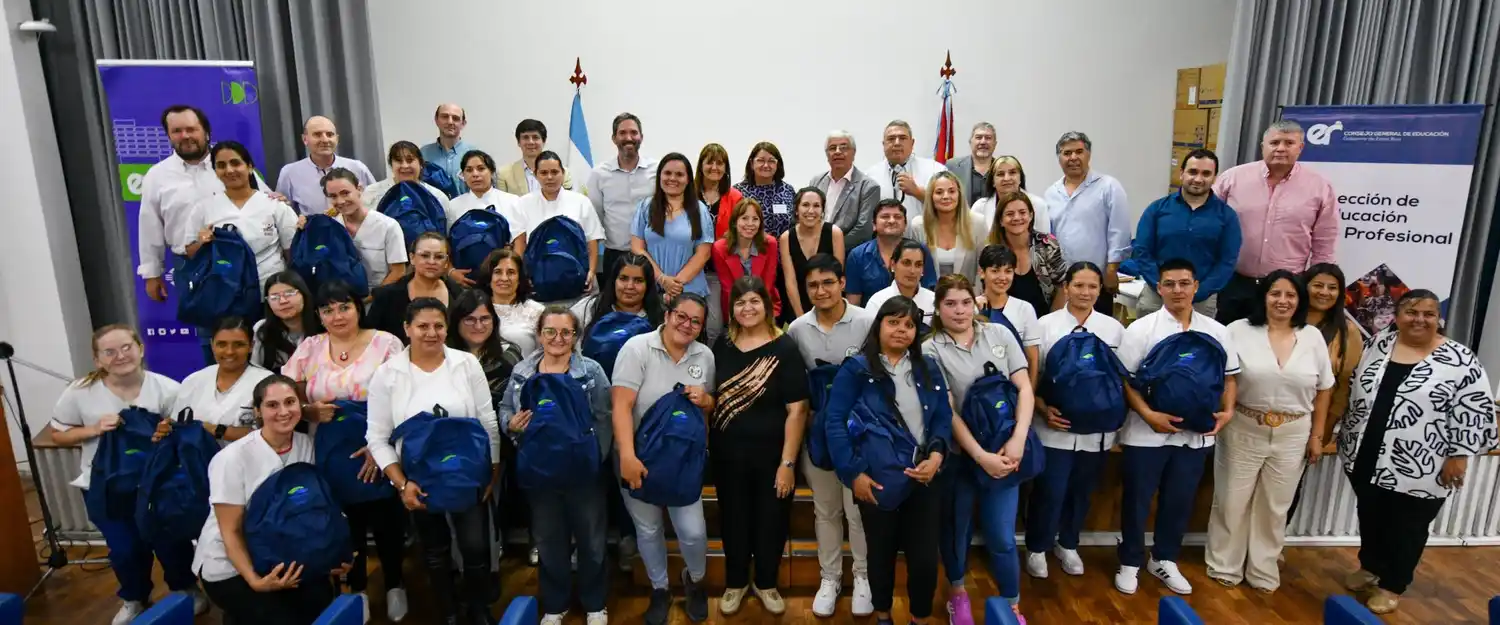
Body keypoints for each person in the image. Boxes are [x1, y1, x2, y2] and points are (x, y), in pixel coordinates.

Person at [1337, 290, 1496, 614]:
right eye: (1412, 311)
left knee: (1407, 527)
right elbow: (1356, 387)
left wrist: (1459, 455)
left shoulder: (1460, 360)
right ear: (1397, 314)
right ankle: (1370, 566)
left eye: (1429, 313)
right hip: (1365, 454)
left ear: (1439, 318)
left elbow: (1475, 411)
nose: (1420, 319)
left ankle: (1392, 584)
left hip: (1424, 465)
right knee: (1371, 516)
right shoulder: (1378, 344)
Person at [49, 325, 200, 624]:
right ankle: (135, 597)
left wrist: (167, 433)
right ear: (97, 359)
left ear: (141, 348)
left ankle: (185, 589)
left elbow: (187, 437)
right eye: (109, 351)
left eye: (126, 347)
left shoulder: (167, 388)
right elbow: (58, 435)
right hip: (105, 486)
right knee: (125, 549)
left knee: (171, 542)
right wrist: (93, 429)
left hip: (159, 485)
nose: (120, 356)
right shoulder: (80, 392)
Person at [367, 298, 501, 625]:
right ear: (406, 329)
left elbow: (488, 422)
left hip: (468, 474)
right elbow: (377, 438)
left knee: (475, 548)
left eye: (438, 326)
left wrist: (492, 470)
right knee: (435, 552)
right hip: (418, 480)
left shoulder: (466, 364)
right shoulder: (387, 375)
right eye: (422, 326)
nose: (431, 333)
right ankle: (449, 612)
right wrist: (401, 483)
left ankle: (479, 608)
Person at [280, 281, 409, 621]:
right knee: (344, 521)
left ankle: (395, 583)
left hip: (378, 440)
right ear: (319, 315)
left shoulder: (386, 343)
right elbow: (286, 394)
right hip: (329, 447)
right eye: (328, 310)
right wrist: (307, 410)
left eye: (344, 307)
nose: (337, 316)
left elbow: (405, 397)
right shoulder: (309, 348)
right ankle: (358, 589)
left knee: (385, 519)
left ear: (358, 308)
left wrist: (379, 445)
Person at [1116, 258, 1240, 596]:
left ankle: (1164, 559)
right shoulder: (1141, 330)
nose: (1177, 290)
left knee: (1179, 500)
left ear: (1196, 286)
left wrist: (1227, 413)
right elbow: (1125, 380)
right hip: (1145, 433)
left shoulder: (1216, 331)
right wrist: (1148, 415)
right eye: (1169, 284)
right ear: (1159, 288)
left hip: (1196, 436)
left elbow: (1230, 377)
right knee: (1138, 501)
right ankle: (1129, 560)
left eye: (1184, 283)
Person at [823, 296, 950, 625]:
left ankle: (919, 618)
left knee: (923, 560)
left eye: (909, 325)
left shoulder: (927, 366)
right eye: (894, 322)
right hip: (876, 479)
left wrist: (937, 455)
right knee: (879, 555)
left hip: (924, 478)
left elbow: (942, 418)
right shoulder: (856, 370)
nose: (902, 330)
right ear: (878, 325)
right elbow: (834, 423)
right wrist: (853, 474)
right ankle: (883, 616)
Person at [1206, 270, 1333, 592]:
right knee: (1232, 500)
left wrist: (1316, 437)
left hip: (1293, 432)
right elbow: (1224, 378)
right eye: (1276, 293)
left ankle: (1263, 569)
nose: (1283, 301)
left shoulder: (1312, 336)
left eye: (1290, 295)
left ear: (1299, 300)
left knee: (1275, 506)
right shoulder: (1238, 331)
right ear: (1263, 297)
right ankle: (1225, 564)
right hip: (1244, 427)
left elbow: (1325, 389)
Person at [192, 374, 348, 625]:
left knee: (320, 602)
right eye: (272, 405)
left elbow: (320, 509)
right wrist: (255, 581)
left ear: (301, 406)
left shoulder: (307, 445)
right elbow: (230, 531)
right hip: (232, 567)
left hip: (287, 553)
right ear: (257, 411)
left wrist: (334, 556)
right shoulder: (231, 459)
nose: (283, 412)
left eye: (290, 402)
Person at [924, 275, 1034, 625]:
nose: (959, 310)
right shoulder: (930, 348)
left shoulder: (999, 335)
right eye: (950, 304)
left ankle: (1011, 602)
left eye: (965, 302)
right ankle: (957, 594)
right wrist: (980, 456)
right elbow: (947, 409)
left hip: (1004, 451)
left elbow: (1025, 389)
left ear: (976, 303)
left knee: (1002, 535)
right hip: (961, 456)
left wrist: (1017, 440)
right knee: (956, 531)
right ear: (938, 309)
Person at [499, 306, 612, 625]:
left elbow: (604, 416)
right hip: (540, 471)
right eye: (550, 331)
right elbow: (505, 407)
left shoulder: (590, 371)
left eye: (566, 332)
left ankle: (594, 603)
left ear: (576, 337)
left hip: (583, 472)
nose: (558, 338)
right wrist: (512, 426)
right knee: (549, 541)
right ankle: (555, 603)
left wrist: (596, 456)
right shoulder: (523, 371)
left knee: (591, 541)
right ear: (539, 335)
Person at [611, 293, 716, 625]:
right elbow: (621, 406)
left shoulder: (706, 356)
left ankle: (694, 581)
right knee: (648, 528)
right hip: (639, 457)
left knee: (694, 532)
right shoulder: (636, 349)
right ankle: (659, 588)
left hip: (684, 461)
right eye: (681, 316)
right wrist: (626, 455)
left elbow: (707, 409)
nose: (686, 325)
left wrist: (707, 400)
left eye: (695, 321)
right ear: (668, 314)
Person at [709, 277, 808, 617]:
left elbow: (797, 410)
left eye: (754, 301)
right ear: (731, 308)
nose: (747, 308)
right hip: (727, 455)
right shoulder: (720, 344)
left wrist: (788, 464)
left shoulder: (785, 348)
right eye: (740, 302)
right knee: (733, 519)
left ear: (767, 305)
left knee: (771, 520)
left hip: (772, 457)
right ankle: (736, 582)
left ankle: (766, 582)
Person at [784, 254, 875, 617]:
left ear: (841, 283)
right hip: (818, 433)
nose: (820, 291)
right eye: (812, 285)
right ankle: (829, 578)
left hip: (859, 433)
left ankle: (864, 577)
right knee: (825, 510)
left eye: (827, 283)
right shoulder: (797, 329)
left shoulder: (867, 321)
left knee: (858, 510)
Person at [1024, 262, 1126, 580]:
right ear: (1066, 287)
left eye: (1092, 286)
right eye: (1078, 285)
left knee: (1082, 491)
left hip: (1097, 432)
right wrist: (1042, 408)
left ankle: (1068, 543)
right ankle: (1038, 547)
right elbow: (1032, 376)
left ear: (1100, 290)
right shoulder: (1045, 325)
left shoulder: (1113, 329)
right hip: (1054, 427)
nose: (1085, 292)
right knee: (1050, 491)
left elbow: (1120, 380)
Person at [1213, 120, 1340, 324]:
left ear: (1301, 148)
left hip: (1287, 287)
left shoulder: (1319, 187)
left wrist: (1318, 283)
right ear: (1263, 146)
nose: (1281, 148)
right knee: (1228, 342)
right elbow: (1209, 223)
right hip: (1234, 281)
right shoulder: (1232, 179)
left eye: (1289, 143)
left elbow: (1324, 241)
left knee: (1277, 346)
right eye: (1274, 142)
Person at [139, 105, 267, 302]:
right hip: (191, 264)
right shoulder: (156, 176)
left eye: (191, 129)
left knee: (255, 325)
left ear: (206, 132)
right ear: (169, 136)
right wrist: (152, 274)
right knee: (208, 328)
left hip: (243, 259)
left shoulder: (231, 165)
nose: (185, 136)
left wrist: (277, 199)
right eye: (177, 131)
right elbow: (150, 227)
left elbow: (264, 201)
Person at [1287, 263, 1362, 521]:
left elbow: (1344, 385)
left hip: (1311, 424)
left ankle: (1269, 550)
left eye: (1332, 288)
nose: (1324, 292)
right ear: (1304, 287)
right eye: (1318, 285)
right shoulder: (1283, 320)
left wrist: (1324, 429)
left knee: (1289, 488)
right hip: (1265, 418)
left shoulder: (1347, 332)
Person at [1131, 148, 1241, 317]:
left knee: (1197, 343)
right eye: (1192, 172)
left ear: (1214, 178)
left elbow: (1227, 261)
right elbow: (1142, 251)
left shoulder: (1227, 217)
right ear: (1182, 173)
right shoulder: (1156, 210)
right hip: (1156, 296)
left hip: (1201, 301)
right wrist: (1162, 286)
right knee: (1148, 342)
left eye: (1206, 174)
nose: (1198, 179)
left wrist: (1198, 291)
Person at [183, 140, 298, 293]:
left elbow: (292, 252)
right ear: (215, 171)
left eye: (235, 163)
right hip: (225, 294)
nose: (229, 170)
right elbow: (190, 252)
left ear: (250, 167)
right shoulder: (203, 208)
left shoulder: (274, 205)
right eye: (221, 165)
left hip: (271, 293)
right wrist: (202, 243)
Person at [1043, 132, 1130, 315]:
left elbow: (1119, 232)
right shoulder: (1051, 193)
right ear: (1059, 158)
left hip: (1097, 281)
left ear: (1088, 155)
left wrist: (1112, 271)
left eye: (1079, 151)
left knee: (1096, 333)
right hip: (1062, 283)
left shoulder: (1108, 187)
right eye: (1067, 153)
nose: (1073, 157)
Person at [164, 317, 273, 445]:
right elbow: (177, 424)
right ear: (212, 345)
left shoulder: (267, 382)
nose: (229, 351)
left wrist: (214, 429)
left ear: (251, 346)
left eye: (239, 344)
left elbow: (272, 433)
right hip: (198, 461)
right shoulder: (194, 381)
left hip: (249, 461)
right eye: (222, 344)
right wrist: (166, 429)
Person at [516, 150, 606, 296]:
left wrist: (591, 272)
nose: (549, 177)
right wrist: (523, 275)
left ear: (563, 173)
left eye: (554, 172)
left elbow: (592, 241)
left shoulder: (580, 202)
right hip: (537, 283)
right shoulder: (523, 203)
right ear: (535, 174)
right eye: (544, 173)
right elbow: (520, 245)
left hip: (578, 281)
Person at [631, 152, 714, 304]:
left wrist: (675, 285)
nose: (673, 178)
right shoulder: (645, 207)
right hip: (652, 289)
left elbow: (704, 253)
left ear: (688, 179)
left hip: (690, 291)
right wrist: (662, 279)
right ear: (659, 176)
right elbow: (637, 248)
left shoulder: (699, 210)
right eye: (667, 173)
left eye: (679, 174)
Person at [587, 113, 658, 279]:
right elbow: (596, 216)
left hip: (650, 255)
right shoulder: (599, 174)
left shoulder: (657, 170)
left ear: (641, 137)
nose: (629, 137)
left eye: (634, 132)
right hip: (614, 255)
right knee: (612, 303)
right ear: (614, 138)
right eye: (623, 133)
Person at [367, 232, 466, 343]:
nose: (431, 262)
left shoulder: (459, 295)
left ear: (446, 262)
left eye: (439, 257)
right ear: (412, 258)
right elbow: (370, 339)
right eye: (425, 255)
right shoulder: (385, 296)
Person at [322, 167, 409, 289]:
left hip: (380, 299)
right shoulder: (330, 227)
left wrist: (369, 299)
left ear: (359, 189)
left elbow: (398, 272)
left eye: (345, 193)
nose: (340, 201)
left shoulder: (388, 226)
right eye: (333, 196)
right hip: (343, 301)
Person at [985, 191, 1067, 315]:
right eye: (1010, 214)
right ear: (1001, 220)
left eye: (1022, 213)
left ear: (1031, 216)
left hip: (1045, 320)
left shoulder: (1047, 244)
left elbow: (1062, 286)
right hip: (1004, 323)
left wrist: (1051, 322)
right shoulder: (992, 251)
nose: (1017, 218)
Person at [275, 115, 376, 215]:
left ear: (336, 139)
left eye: (330, 134)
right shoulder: (289, 173)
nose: (325, 140)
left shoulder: (357, 168)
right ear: (305, 139)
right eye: (317, 134)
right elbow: (284, 213)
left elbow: (377, 201)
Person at [844, 199, 938, 305]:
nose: (892, 221)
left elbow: (929, 295)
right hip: (871, 317)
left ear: (905, 224)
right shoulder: (857, 255)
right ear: (874, 225)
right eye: (885, 216)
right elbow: (853, 303)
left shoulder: (920, 251)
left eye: (897, 217)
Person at [976, 245, 1042, 383]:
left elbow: (1032, 359)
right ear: (982, 272)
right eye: (995, 271)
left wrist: (1030, 394)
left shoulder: (1024, 309)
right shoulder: (971, 308)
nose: (1002, 277)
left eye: (1008, 271)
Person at [711, 198, 781, 325]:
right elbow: (729, 289)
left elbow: (767, 283)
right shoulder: (720, 248)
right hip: (735, 306)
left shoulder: (770, 244)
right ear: (734, 222)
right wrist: (742, 316)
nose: (750, 224)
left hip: (763, 303)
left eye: (755, 219)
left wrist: (759, 315)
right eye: (744, 218)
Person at [449, 149, 528, 260]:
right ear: (463, 175)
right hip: (465, 271)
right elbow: (447, 244)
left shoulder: (511, 201)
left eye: (481, 169)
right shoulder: (453, 205)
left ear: (491, 172)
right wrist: (452, 271)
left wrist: (513, 269)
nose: (475, 174)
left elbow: (519, 241)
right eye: (469, 170)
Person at [907, 171, 987, 281]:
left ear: (959, 194)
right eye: (939, 192)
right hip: (929, 295)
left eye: (952, 191)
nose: (946, 196)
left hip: (970, 295)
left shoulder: (978, 223)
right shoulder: (918, 225)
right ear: (931, 196)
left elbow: (984, 267)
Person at [780, 187, 846, 319]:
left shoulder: (834, 233)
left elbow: (837, 279)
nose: (811, 211)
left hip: (830, 302)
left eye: (816, 206)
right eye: (805, 205)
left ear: (822, 211)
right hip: (799, 305)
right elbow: (790, 283)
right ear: (796, 210)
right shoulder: (786, 238)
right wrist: (801, 319)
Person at [810, 130, 881, 251]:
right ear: (827, 154)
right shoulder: (816, 182)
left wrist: (830, 247)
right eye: (832, 148)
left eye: (843, 147)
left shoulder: (868, 187)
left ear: (853, 153)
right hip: (812, 250)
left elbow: (863, 230)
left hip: (848, 254)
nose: (837, 152)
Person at [865, 120, 945, 220]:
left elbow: (950, 205)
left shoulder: (935, 170)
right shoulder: (870, 175)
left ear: (912, 143)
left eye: (902, 138)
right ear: (883, 144)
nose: (897, 143)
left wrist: (917, 192)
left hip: (925, 234)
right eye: (891, 139)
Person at [362, 140, 455, 222]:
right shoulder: (372, 192)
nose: (405, 166)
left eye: (410, 160)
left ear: (421, 164)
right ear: (391, 165)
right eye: (398, 161)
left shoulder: (437, 197)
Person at [573, 252, 665, 331]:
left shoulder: (661, 318)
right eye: (623, 279)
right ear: (614, 281)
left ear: (648, 285)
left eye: (638, 280)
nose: (630, 286)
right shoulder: (589, 307)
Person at [480, 248, 546, 357]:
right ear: (489, 276)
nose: (504, 278)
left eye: (511, 272)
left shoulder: (537, 311)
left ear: (519, 278)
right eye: (497, 272)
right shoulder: (476, 309)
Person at [252, 271, 321, 371]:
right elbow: (256, 369)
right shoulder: (262, 329)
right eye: (274, 297)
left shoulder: (323, 324)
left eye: (289, 293)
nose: (283, 301)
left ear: (304, 294)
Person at [497, 119, 581, 196]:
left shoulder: (563, 173)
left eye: (535, 137)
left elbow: (569, 202)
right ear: (518, 142)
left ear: (543, 141)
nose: (531, 142)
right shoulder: (504, 174)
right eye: (525, 137)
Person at [863, 239, 936, 327]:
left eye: (918, 265)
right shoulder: (878, 302)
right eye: (906, 263)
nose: (912, 271)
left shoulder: (934, 300)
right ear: (893, 264)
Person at [733, 142, 797, 238]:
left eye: (771, 161)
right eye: (761, 160)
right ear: (751, 163)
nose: (766, 165)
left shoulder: (788, 190)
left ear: (777, 164)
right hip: (748, 251)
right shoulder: (738, 191)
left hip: (783, 251)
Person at [974, 155, 1050, 235]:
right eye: (1000, 174)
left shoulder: (1038, 205)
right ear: (993, 181)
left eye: (1012, 173)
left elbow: (1044, 240)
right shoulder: (980, 207)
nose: (1007, 178)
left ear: (1020, 179)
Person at [420, 103, 478, 186]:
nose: (450, 122)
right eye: (445, 116)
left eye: (455, 118)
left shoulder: (476, 154)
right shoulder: (423, 154)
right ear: (436, 120)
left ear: (463, 124)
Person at [946, 122, 997, 205]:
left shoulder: (1004, 169)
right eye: (978, 137)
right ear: (970, 142)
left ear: (995, 144)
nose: (983, 142)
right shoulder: (951, 167)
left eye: (988, 138)